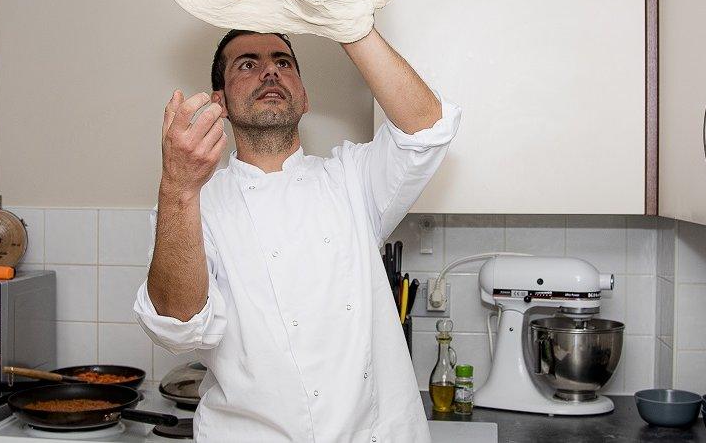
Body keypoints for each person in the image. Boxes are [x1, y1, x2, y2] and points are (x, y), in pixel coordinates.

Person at [134, 27, 461, 442]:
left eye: (283, 62)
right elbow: (178, 328)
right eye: (248, 64)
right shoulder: (193, 204)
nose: (269, 72)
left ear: (304, 97)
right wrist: (178, 187)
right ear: (220, 103)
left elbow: (427, 130)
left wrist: (351, 27)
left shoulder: (352, 179)